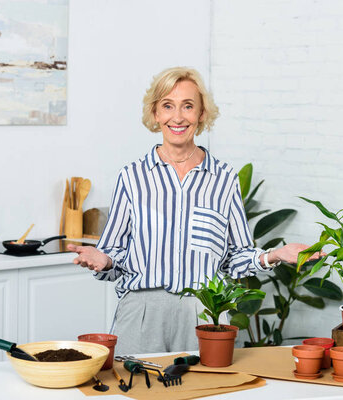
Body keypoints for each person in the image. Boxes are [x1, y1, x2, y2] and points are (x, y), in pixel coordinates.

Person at [67, 67, 317, 355]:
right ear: (155, 113)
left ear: (201, 114)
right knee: (135, 394)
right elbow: (114, 256)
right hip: (142, 312)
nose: (178, 116)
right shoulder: (132, 177)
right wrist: (104, 260)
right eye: (168, 106)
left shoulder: (223, 179)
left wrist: (274, 254)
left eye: (188, 106)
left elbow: (235, 258)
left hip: (204, 314)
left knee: (205, 394)